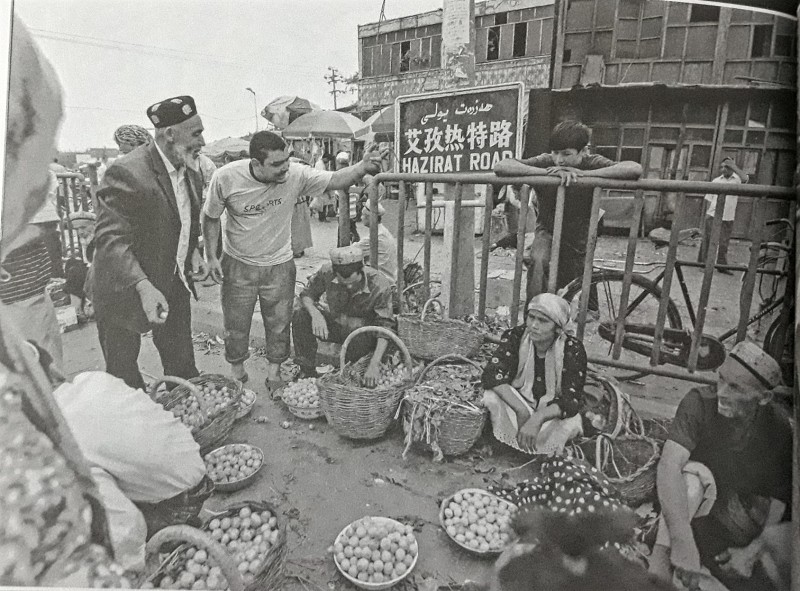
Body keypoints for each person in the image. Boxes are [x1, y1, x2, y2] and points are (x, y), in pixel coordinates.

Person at [202, 132, 387, 391]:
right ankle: (237, 373)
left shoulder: (295, 175)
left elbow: (335, 179)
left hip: (280, 264)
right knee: (236, 323)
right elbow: (210, 217)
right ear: (255, 163)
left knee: (279, 323)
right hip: (238, 264)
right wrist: (211, 256)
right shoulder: (226, 177)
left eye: (286, 160)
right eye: (276, 164)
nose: (284, 168)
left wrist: (362, 167)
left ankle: (274, 374)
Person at [649, 341, 791, 591]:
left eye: (735, 387)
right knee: (693, 477)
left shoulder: (777, 427)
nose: (722, 392)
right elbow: (669, 465)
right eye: (721, 379)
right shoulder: (699, 403)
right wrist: (683, 542)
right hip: (695, 509)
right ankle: (659, 565)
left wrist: (751, 551)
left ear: (764, 398)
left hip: (738, 521)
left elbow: (779, 497)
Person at [90, 95, 208, 390]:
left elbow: (184, 218)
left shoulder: (191, 168)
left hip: (172, 280)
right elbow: (109, 240)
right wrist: (143, 286)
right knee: (124, 376)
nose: (203, 141)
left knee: (182, 366)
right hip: (124, 287)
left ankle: (188, 418)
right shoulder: (127, 171)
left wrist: (193, 251)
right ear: (170, 135)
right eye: (196, 133)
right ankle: (137, 427)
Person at [494, 121, 642, 305]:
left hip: (581, 232)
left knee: (579, 278)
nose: (560, 160)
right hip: (547, 229)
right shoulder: (547, 162)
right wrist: (547, 173)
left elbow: (634, 169)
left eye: (566, 154)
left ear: (583, 151)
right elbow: (501, 166)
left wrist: (581, 175)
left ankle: (583, 315)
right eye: (555, 153)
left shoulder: (592, 162)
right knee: (538, 262)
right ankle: (534, 314)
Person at [481, 293, 586, 455]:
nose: (534, 325)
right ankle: (512, 442)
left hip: (548, 412)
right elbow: (492, 374)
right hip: (520, 403)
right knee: (490, 397)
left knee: (569, 422)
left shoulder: (572, 349)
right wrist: (521, 410)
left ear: (558, 328)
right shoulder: (516, 336)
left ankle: (542, 450)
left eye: (543, 321)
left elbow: (571, 399)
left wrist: (538, 419)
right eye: (531, 317)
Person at [293, 245, 395, 384]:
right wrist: (316, 315)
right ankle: (307, 371)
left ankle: (353, 371)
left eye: (353, 283)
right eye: (343, 283)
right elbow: (307, 294)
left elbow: (385, 328)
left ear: (362, 271)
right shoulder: (327, 272)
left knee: (354, 375)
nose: (349, 287)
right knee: (301, 315)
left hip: (363, 335)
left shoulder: (378, 284)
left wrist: (374, 363)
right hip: (338, 325)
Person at [698, 157, 749, 274]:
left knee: (724, 242)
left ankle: (722, 266)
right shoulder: (716, 181)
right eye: (722, 167)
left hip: (728, 216)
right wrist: (706, 215)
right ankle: (703, 264)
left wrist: (734, 166)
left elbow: (745, 178)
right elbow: (708, 199)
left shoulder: (737, 180)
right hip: (713, 214)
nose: (724, 169)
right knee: (708, 240)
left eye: (727, 167)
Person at [353, 196, 397, 284]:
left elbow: (353, 250)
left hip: (382, 280)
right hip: (388, 276)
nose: (361, 218)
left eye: (363, 215)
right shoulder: (382, 231)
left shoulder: (376, 236)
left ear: (370, 217)